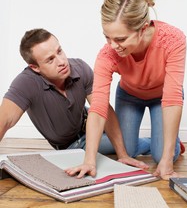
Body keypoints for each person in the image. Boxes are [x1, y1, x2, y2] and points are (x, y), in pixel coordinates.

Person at [65, 0, 186, 180]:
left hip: (163, 96)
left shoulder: (173, 40)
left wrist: (166, 159)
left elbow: (172, 98)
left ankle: (170, 144)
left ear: (143, 28)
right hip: (130, 95)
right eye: (107, 37)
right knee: (126, 151)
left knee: (162, 155)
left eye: (120, 39)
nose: (113, 46)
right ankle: (155, 139)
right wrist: (89, 159)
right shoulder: (107, 54)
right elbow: (98, 107)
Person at [0, 28, 147, 170]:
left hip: (90, 118)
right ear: (35, 67)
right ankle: (163, 143)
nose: (62, 62)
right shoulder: (26, 83)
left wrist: (123, 155)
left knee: (125, 141)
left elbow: (103, 108)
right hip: (73, 144)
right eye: (50, 60)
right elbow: (4, 121)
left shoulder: (80, 67)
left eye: (59, 51)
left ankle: (161, 142)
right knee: (129, 143)